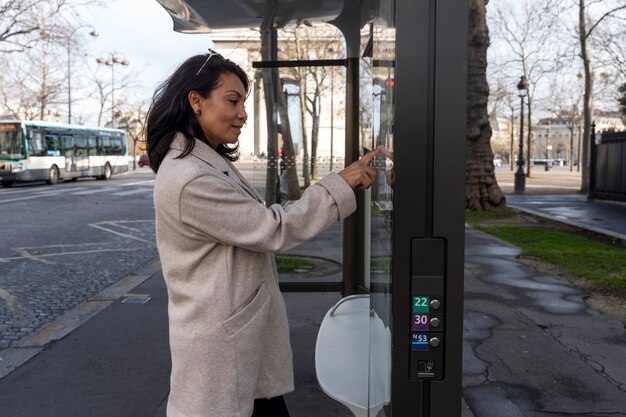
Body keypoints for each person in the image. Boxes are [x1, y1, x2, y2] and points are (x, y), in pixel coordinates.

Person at [144, 49, 382, 417]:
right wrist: (339, 185)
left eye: (244, 102)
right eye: (233, 100)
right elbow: (272, 229)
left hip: (234, 343)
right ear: (196, 101)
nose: (243, 113)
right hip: (222, 349)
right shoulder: (190, 176)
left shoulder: (202, 162)